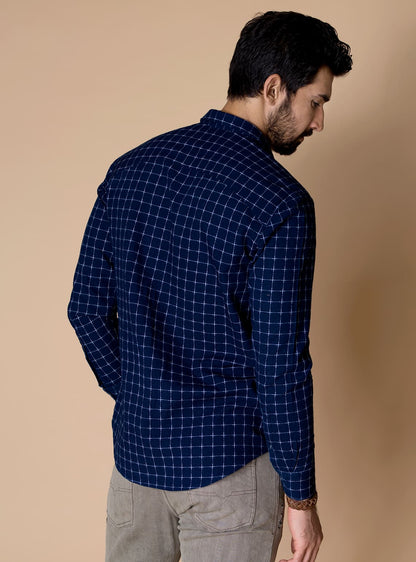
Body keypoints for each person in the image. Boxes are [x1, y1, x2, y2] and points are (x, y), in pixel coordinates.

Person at [68, 11, 352, 562]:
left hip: (136, 467)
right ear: (274, 89)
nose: (319, 122)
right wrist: (301, 497)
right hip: (231, 471)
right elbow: (281, 364)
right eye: (317, 102)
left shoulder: (129, 171)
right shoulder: (280, 201)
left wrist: (140, 398)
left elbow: (86, 309)